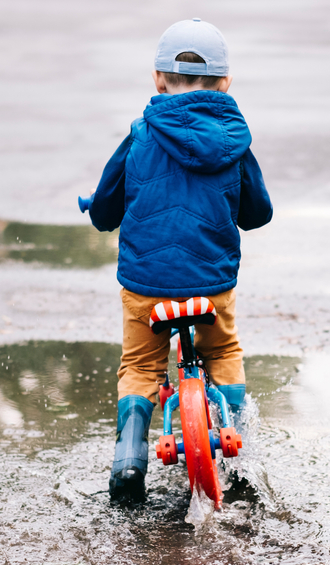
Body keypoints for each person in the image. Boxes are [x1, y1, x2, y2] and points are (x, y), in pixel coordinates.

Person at [80, 18, 273, 502]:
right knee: (223, 352)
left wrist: (100, 211)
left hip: (147, 286)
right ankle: (240, 448)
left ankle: (129, 453)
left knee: (142, 366)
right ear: (226, 83)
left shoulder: (140, 137)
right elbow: (258, 214)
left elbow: (105, 209)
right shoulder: (235, 143)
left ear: (158, 79)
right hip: (211, 286)